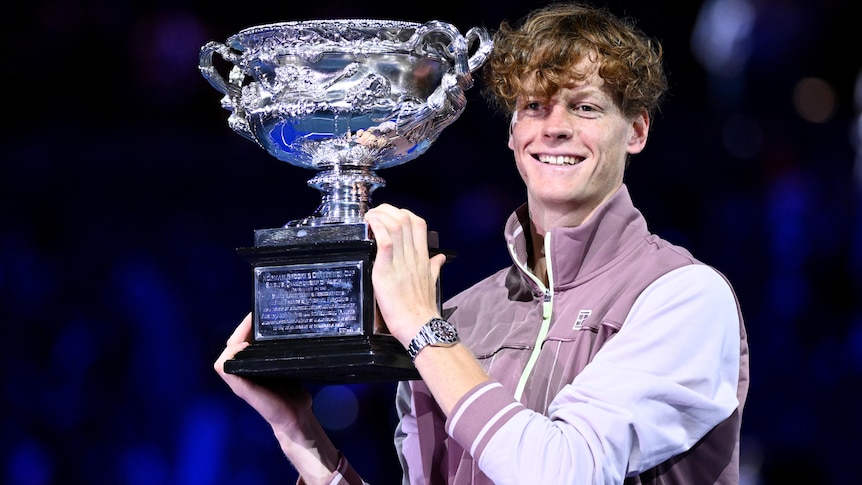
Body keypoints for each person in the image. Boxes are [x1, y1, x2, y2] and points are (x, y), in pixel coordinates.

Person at [214, 2, 750, 484]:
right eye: (535, 107)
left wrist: (423, 329)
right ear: (512, 133)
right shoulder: (460, 317)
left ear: (635, 131)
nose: (555, 128)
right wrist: (300, 433)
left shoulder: (684, 297)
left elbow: (561, 474)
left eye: (585, 107)